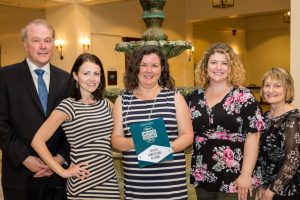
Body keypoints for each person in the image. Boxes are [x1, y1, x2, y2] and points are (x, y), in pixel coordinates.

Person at [31, 53, 121, 199]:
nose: (92, 78)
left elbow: (120, 134)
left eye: (96, 73)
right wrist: (62, 172)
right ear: (75, 75)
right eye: (86, 73)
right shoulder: (68, 106)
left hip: (109, 181)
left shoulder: (106, 104)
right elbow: (37, 141)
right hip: (83, 183)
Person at [111, 45, 193, 199]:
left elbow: (188, 135)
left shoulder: (175, 98)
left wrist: (166, 148)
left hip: (171, 187)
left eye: (154, 65)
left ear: (162, 69)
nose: (149, 70)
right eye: (144, 65)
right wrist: (139, 142)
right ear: (136, 68)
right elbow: (115, 140)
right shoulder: (122, 101)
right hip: (137, 186)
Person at [0, 19, 69, 200]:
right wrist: (25, 158)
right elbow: (1, 124)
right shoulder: (5, 77)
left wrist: (60, 157)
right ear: (25, 44)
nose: (43, 46)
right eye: (36, 40)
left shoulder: (67, 80)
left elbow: (74, 125)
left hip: (57, 179)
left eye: (47, 40)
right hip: (19, 176)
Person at [186, 43, 265, 200]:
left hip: (236, 174)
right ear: (205, 66)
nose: (218, 67)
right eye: (214, 62)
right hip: (203, 171)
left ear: (231, 67)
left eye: (224, 63)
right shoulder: (194, 97)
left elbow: (253, 137)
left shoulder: (244, 96)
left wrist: (246, 174)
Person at [256, 67, 300, 200]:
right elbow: (259, 156)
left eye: (277, 86)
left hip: (286, 190)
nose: (270, 90)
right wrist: (261, 185)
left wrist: (271, 191)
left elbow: (292, 160)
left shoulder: (293, 118)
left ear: (287, 88)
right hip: (266, 186)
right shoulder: (264, 117)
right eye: (267, 85)